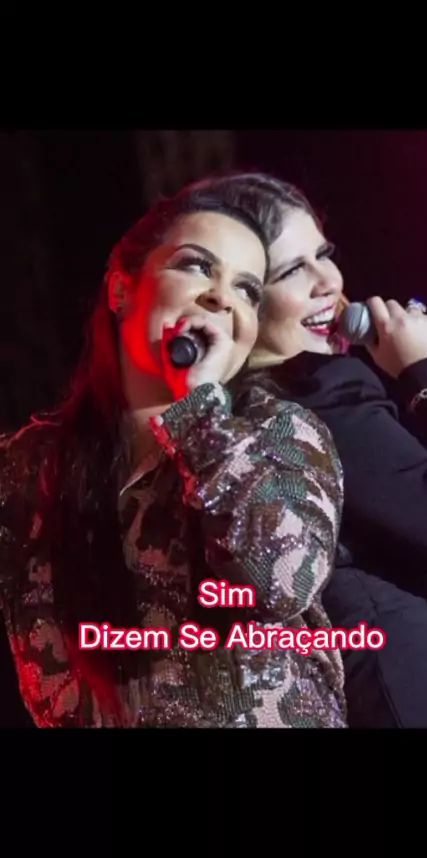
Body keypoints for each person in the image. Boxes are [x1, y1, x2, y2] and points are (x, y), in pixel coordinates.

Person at [0, 180, 346, 728]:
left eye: (247, 290)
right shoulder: (28, 466)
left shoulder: (278, 432)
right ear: (121, 289)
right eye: (197, 266)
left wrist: (200, 413)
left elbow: (285, 580)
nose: (221, 297)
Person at [210, 170, 427, 728]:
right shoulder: (320, 396)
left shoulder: (236, 411)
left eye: (323, 255)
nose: (327, 283)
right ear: (242, 300)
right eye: (291, 271)